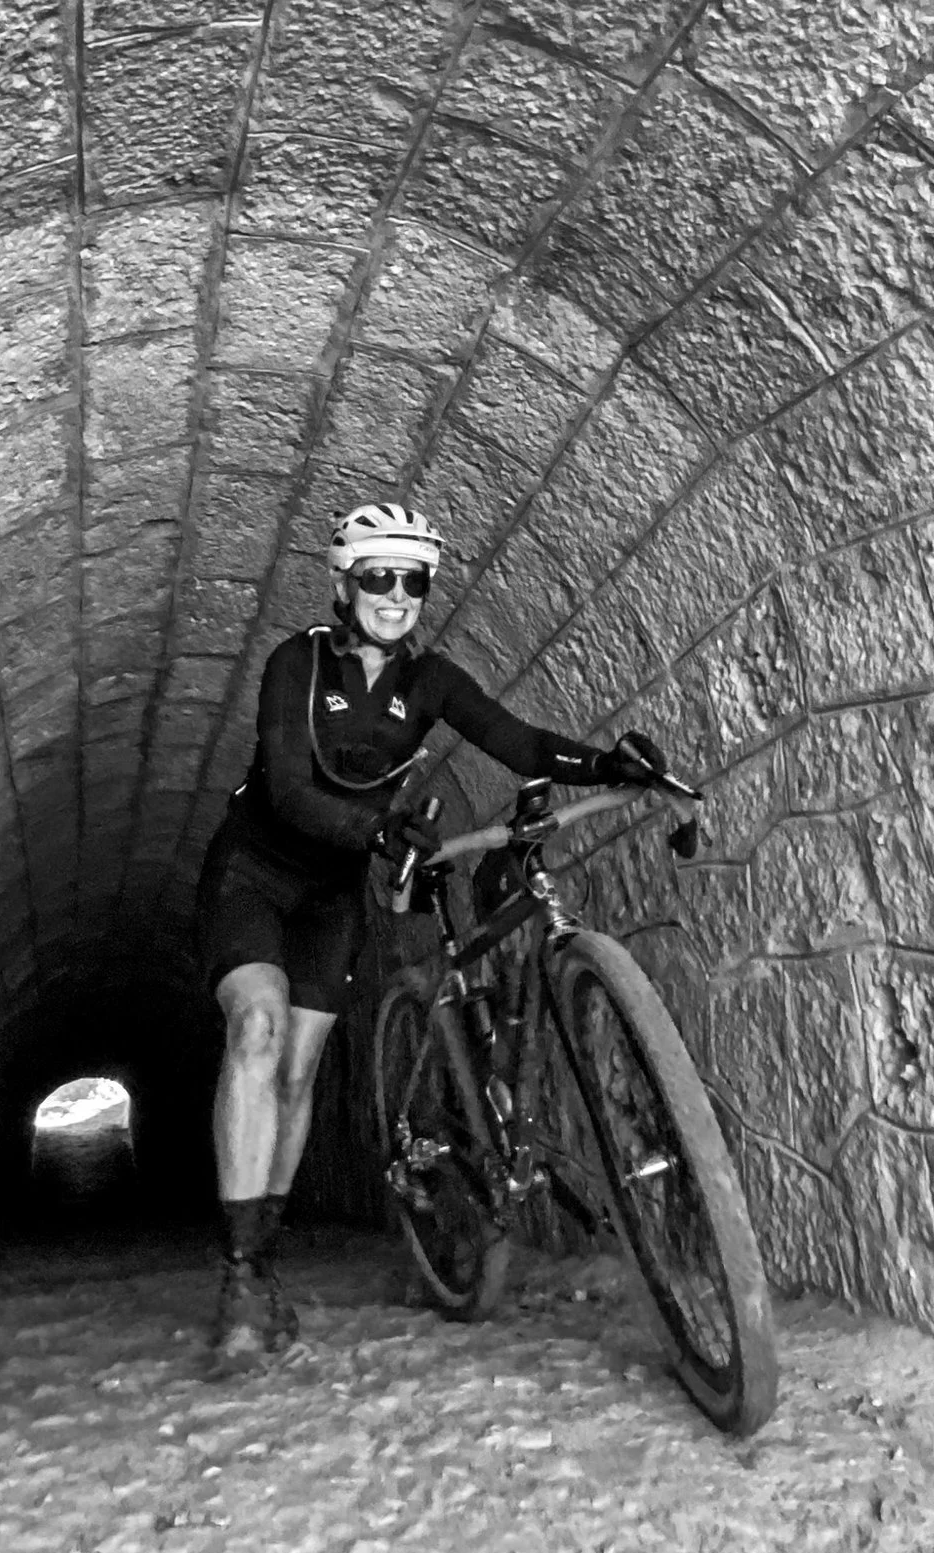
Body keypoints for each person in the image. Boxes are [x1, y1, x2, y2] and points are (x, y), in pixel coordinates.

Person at [193, 499, 666, 1369]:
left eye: (413, 581)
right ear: (345, 584)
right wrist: (379, 829)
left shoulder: (430, 682)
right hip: (254, 874)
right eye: (378, 576)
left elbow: (519, 742)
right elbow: (290, 789)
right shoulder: (299, 663)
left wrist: (602, 762)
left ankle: (264, 1252)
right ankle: (242, 1273)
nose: (396, 595)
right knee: (256, 1027)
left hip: (333, 894)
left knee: (298, 1071)